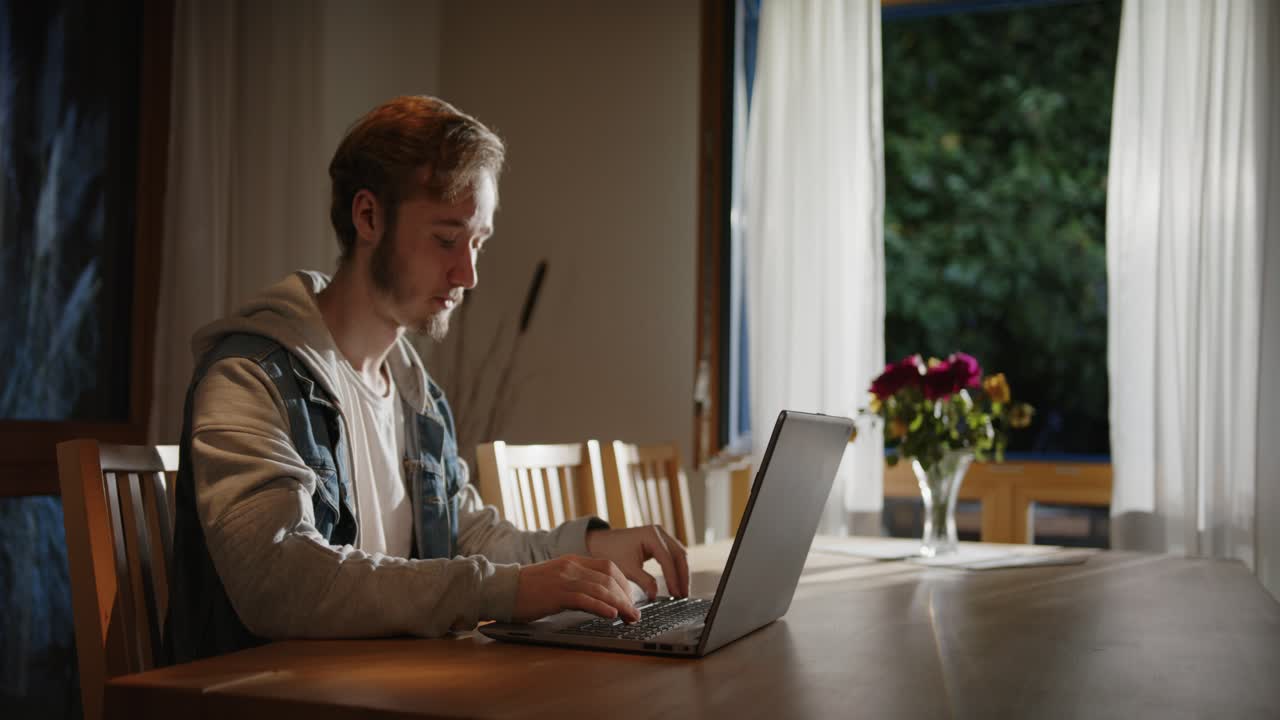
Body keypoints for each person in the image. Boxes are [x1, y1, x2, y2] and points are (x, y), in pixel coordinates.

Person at [163, 95, 689, 664]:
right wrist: (503, 590)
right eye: (446, 238)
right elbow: (279, 577)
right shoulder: (248, 377)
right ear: (368, 217)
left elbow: (472, 539)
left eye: (478, 242)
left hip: (379, 692)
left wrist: (588, 547)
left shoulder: (418, 400)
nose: (468, 273)